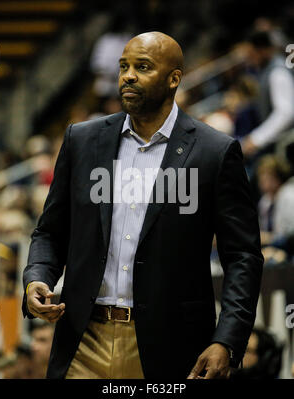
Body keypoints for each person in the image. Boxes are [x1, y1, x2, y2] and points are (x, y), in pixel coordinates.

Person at [22, 31, 263, 379]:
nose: (128, 75)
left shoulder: (215, 151)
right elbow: (50, 231)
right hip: (82, 340)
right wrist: (36, 279)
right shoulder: (81, 140)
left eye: (143, 67)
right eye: (123, 66)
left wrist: (226, 340)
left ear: (173, 79)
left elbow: (243, 255)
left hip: (169, 346)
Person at [241, 30, 294, 158]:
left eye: (252, 53)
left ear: (263, 50)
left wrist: (256, 139)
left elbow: (286, 113)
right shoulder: (265, 71)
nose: (249, 59)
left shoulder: (278, 72)